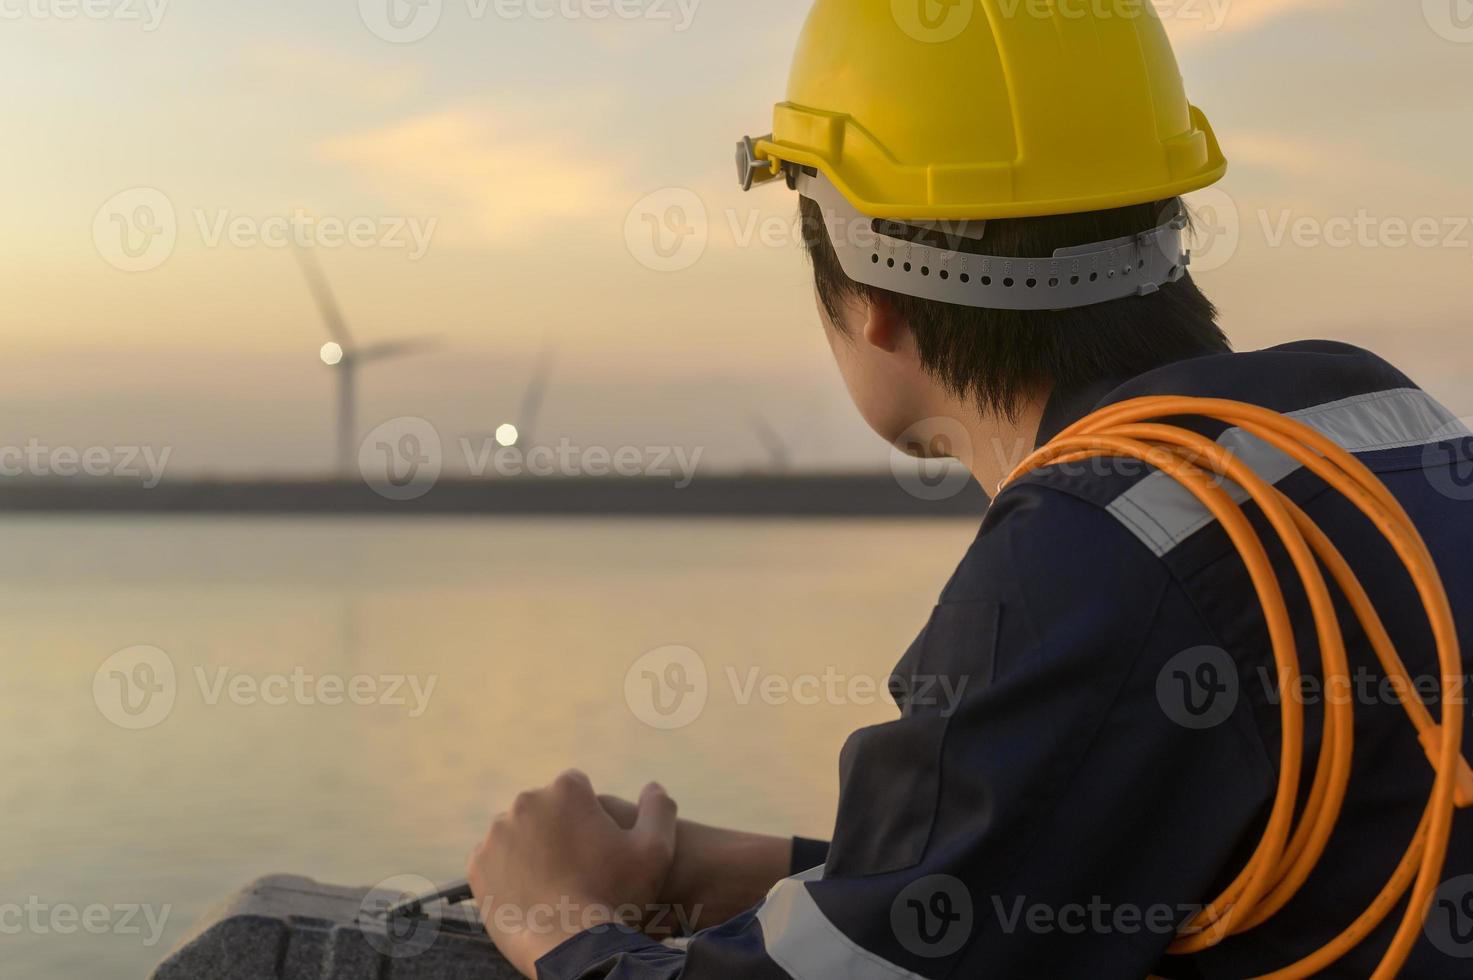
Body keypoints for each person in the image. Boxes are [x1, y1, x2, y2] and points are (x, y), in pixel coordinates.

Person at [465, 1, 1473, 976]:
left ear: (874, 297)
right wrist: (769, 870)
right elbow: (1119, 840)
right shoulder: (1381, 424)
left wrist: (558, 920)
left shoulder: (1094, 553)